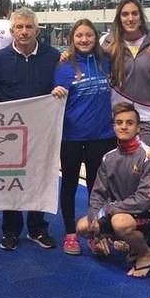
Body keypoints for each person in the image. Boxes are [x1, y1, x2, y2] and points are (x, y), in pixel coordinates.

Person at [0, 7, 61, 251]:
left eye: (28, 27)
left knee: (40, 178)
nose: (24, 32)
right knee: (11, 181)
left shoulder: (53, 56)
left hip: (42, 133)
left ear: (37, 30)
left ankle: (37, 228)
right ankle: (10, 229)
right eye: (19, 27)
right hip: (10, 134)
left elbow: (64, 83)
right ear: (11, 31)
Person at [76, 103, 150, 279]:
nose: (124, 127)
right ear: (114, 126)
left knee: (119, 222)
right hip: (122, 213)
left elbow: (145, 199)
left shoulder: (149, 156)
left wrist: (108, 211)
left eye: (129, 123)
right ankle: (126, 241)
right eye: (119, 122)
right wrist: (97, 224)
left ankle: (146, 253)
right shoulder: (108, 158)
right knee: (83, 227)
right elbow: (97, 194)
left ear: (138, 127)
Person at [51, 19, 116, 255]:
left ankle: (95, 231)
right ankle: (70, 233)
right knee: (68, 184)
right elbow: (54, 101)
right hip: (71, 137)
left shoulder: (105, 62)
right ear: (72, 38)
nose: (84, 39)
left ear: (95, 37)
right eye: (79, 36)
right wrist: (55, 93)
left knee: (96, 188)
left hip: (102, 136)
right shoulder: (64, 68)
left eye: (89, 35)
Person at [103, 0, 150, 146]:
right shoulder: (109, 43)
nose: (130, 18)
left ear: (140, 17)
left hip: (147, 118)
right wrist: (68, 56)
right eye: (125, 14)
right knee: (119, 164)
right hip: (119, 117)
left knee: (142, 163)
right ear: (119, 18)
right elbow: (87, 58)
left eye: (134, 13)